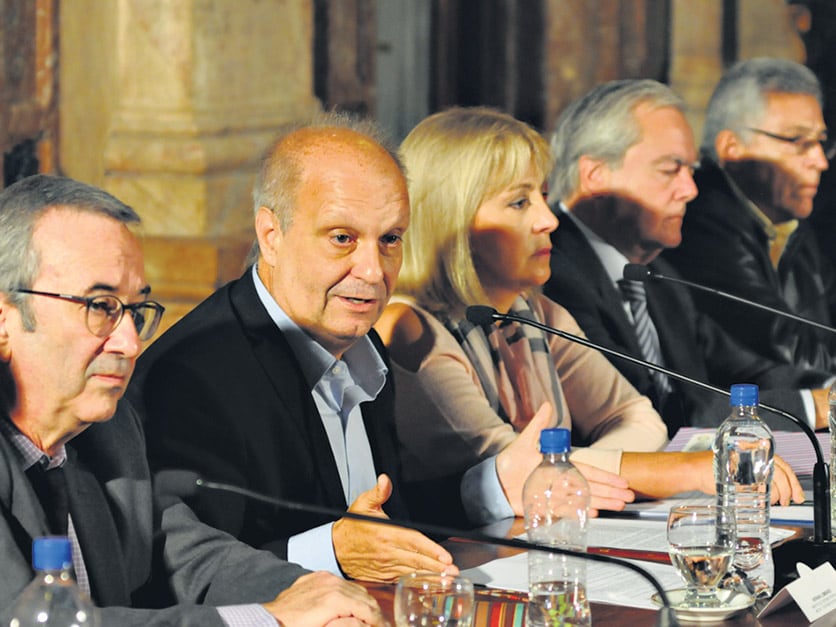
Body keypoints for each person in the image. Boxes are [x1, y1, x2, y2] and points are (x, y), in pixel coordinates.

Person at [131, 112, 554, 579]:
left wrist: (492, 487)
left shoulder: (359, 341)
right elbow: (184, 572)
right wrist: (331, 554)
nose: (372, 270)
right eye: (342, 238)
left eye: (390, 239)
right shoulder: (190, 378)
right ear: (271, 236)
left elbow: (378, 523)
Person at [374, 107, 804, 517]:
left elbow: (636, 417)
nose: (549, 220)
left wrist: (578, 471)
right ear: (452, 219)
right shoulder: (409, 328)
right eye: (519, 203)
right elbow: (509, 469)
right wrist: (676, 471)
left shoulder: (538, 312)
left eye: (543, 196)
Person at [0, 174, 385, 626]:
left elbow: (186, 555)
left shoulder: (108, 430)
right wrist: (270, 619)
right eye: (100, 307)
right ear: (4, 321)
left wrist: (319, 596)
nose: (130, 343)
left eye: (135, 311)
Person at [542, 79, 833, 437]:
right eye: (670, 170)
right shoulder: (552, 273)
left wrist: (828, 388)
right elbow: (658, 406)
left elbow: (747, 370)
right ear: (595, 176)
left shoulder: (658, 276)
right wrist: (815, 406)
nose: (690, 190)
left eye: (691, 171)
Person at [662, 57, 836, 374]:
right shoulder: (701, 222)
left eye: (821, 142)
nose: (820, 161)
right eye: (799, 141)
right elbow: (784, 345)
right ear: (732, 147)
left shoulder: (790, 224)